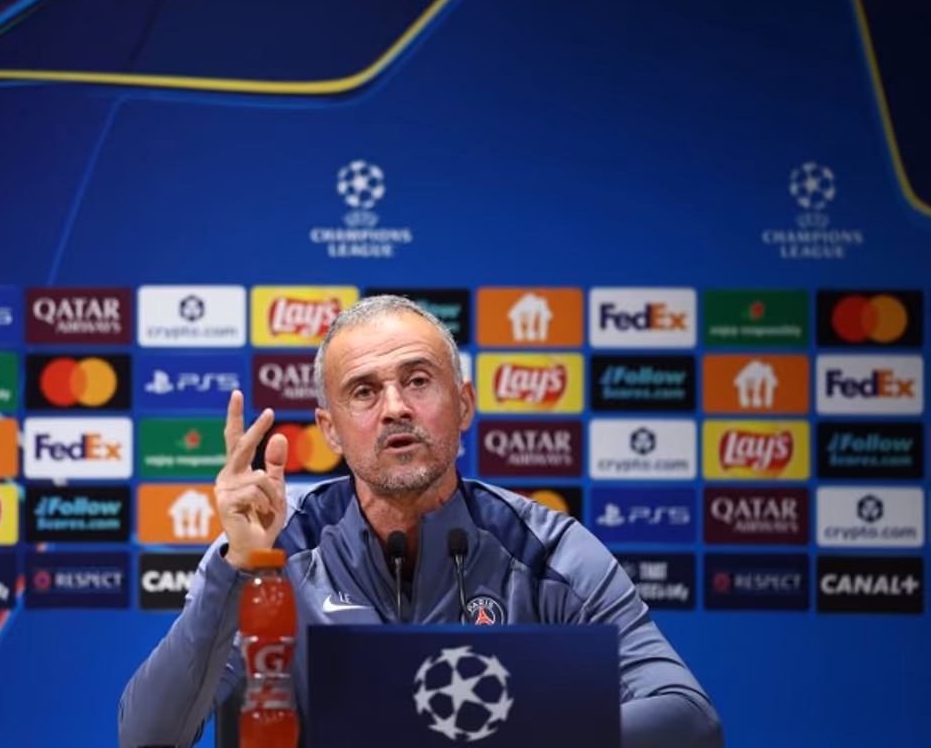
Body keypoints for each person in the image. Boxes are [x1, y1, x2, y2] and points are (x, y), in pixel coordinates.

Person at [118, 295, 723, 748]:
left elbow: (688, 718)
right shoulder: (275, 545)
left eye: (417, 381)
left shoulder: (547, 552)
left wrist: (489, 731)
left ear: (462, 405)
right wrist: (237, 567)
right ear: (329, 429)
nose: (396, 408)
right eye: (363, 391)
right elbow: (149, 736)